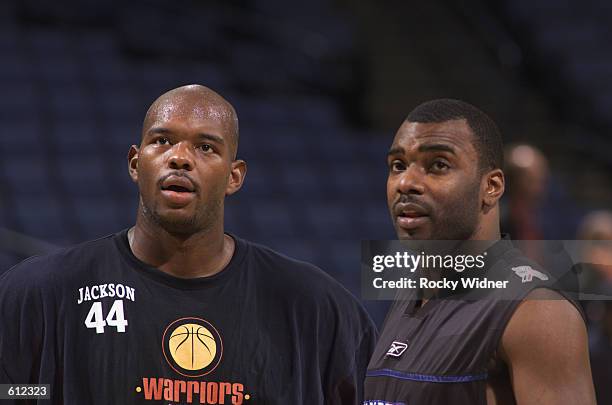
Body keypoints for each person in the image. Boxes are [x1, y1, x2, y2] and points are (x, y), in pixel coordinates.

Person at [0, 85, 377, 404]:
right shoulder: (38, 294)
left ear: (234, 176)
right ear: (135, 163)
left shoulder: (319, 310)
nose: (179, 158)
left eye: (206, 148)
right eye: (162, 141)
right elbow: (14, 392)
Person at [363, 99, 595, 404]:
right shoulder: (410, 293)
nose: (406, 182)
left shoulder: (538, 311)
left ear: (492, 186)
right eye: (398, 166)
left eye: (438, 165)